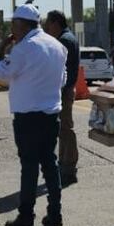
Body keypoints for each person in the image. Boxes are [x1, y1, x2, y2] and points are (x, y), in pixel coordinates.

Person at [0, 4, 68, 226]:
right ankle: (55, 214)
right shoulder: (57, 45)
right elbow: (62, 80)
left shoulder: (23, 48)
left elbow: (1, 75)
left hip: (27, 118)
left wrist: (1, 51)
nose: (11, 29)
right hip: (51, 114)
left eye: (13, 24)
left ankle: (26, 217)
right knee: (50, 164)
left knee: (29, 167)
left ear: (21, 24)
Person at [42, 9, 80, 185]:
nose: (46, 28)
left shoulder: (64, 40)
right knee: (63, 130)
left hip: (64, 91)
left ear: (56, 23)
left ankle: (69, 168)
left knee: (65, 129)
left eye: (48, 24)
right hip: (64, 90)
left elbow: (64, 70)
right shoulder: (67, 38)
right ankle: (64, 165)